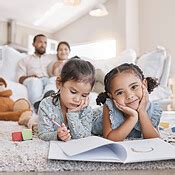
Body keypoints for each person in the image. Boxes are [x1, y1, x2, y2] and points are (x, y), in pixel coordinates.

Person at [38, 57, 101, 141]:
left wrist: (73, 114)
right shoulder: (46, 106)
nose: (78, 99)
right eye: (73, 92)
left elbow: (84, 137)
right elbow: (43, 134)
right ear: (59, 83)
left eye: (84, 95)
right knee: (33, 122)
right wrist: (56, 135)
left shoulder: (86, 110)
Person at [96, 63, 162, 141]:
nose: (129, 96)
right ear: (111, 96)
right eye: (120, 92)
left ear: (144, 84)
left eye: (134, 87)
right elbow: (109, 139)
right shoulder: (109, 107)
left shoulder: (151, 108)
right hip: (97, 115)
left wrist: (142, 112)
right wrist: (133, 117)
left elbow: (155, 140)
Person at [33, 41, 71, 112]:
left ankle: (45, 101)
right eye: (60, 50)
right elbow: (55, 74)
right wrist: (58, 65)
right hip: (56, 80)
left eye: (65, 49)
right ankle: (48, 96)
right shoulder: (54, 63)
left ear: (69, 51)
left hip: (68, 81)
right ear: (57, 52)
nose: (63, 51)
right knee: (53, 79)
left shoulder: (72, 62)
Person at [17, 34, 54, 105]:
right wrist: (31, 77)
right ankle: (36, 105)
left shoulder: (50, 58)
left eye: (45, 42)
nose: (43, 45)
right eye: (40, 42)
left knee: (54, 79)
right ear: (33, 44)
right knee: (35, 81)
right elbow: (20, 78)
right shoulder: (25, 60)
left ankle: (49, 97)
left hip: (46, 80)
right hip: (32, 80)